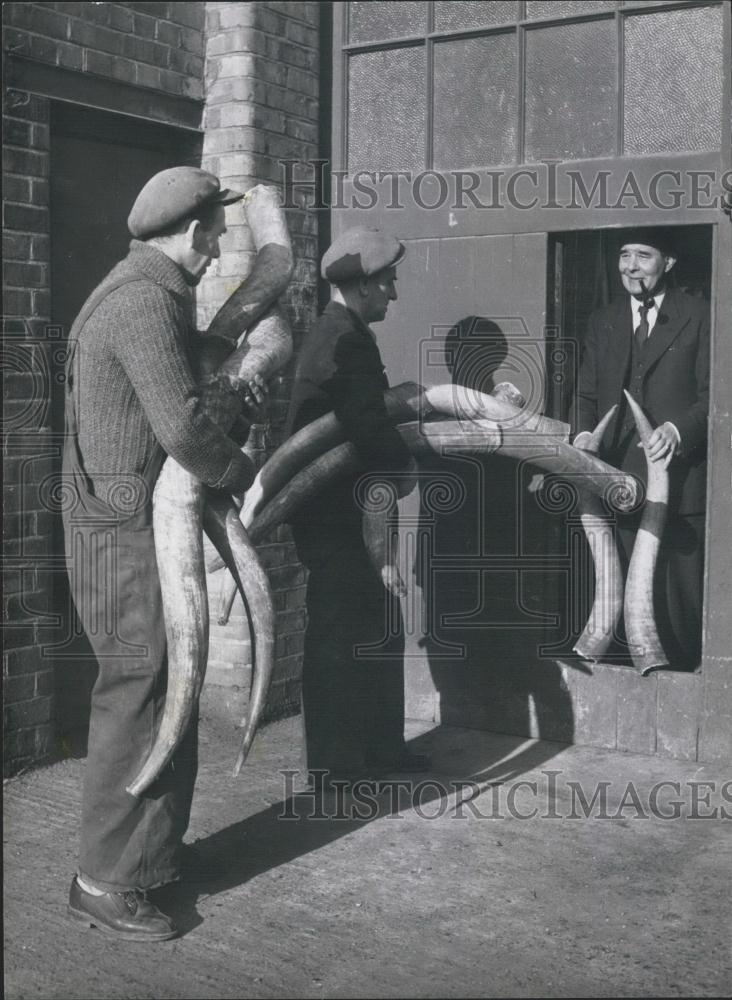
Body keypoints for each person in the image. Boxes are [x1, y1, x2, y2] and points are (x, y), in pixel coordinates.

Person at [63, 167, 264, 940]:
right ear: (188, 232)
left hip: (127, 519)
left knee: (162, 679)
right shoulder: (145, 300)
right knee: (139, 686)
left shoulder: (146, 291)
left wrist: (223, 356)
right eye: (212, 233)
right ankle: (105, 881)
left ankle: (152, 859)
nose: (215, 249)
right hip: (118, 530)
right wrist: (237, 470)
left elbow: (178, 370)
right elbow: (179, 426)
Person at [287, 227, 429, 788]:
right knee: (340, 634)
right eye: (388, 282)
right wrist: (406, 467)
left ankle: (379, 751)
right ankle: (336, 766)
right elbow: (368, 427)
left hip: (350, 513)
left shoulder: (341, 332)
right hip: (335, 519)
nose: (393, 294)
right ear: (365, 284)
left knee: (375, 625)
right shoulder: (342, 340)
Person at [573, 226, 710, 669]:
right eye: (624, 254)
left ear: (667, 263)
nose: (630, 266)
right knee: (619, 592)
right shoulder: (603, 319)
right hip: (616, 483)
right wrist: (581, 437)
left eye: (644, 256)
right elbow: (586, 395)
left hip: (682, 486)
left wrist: (677, 430)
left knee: (678, 598)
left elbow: (716, 394)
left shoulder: (703, 314)